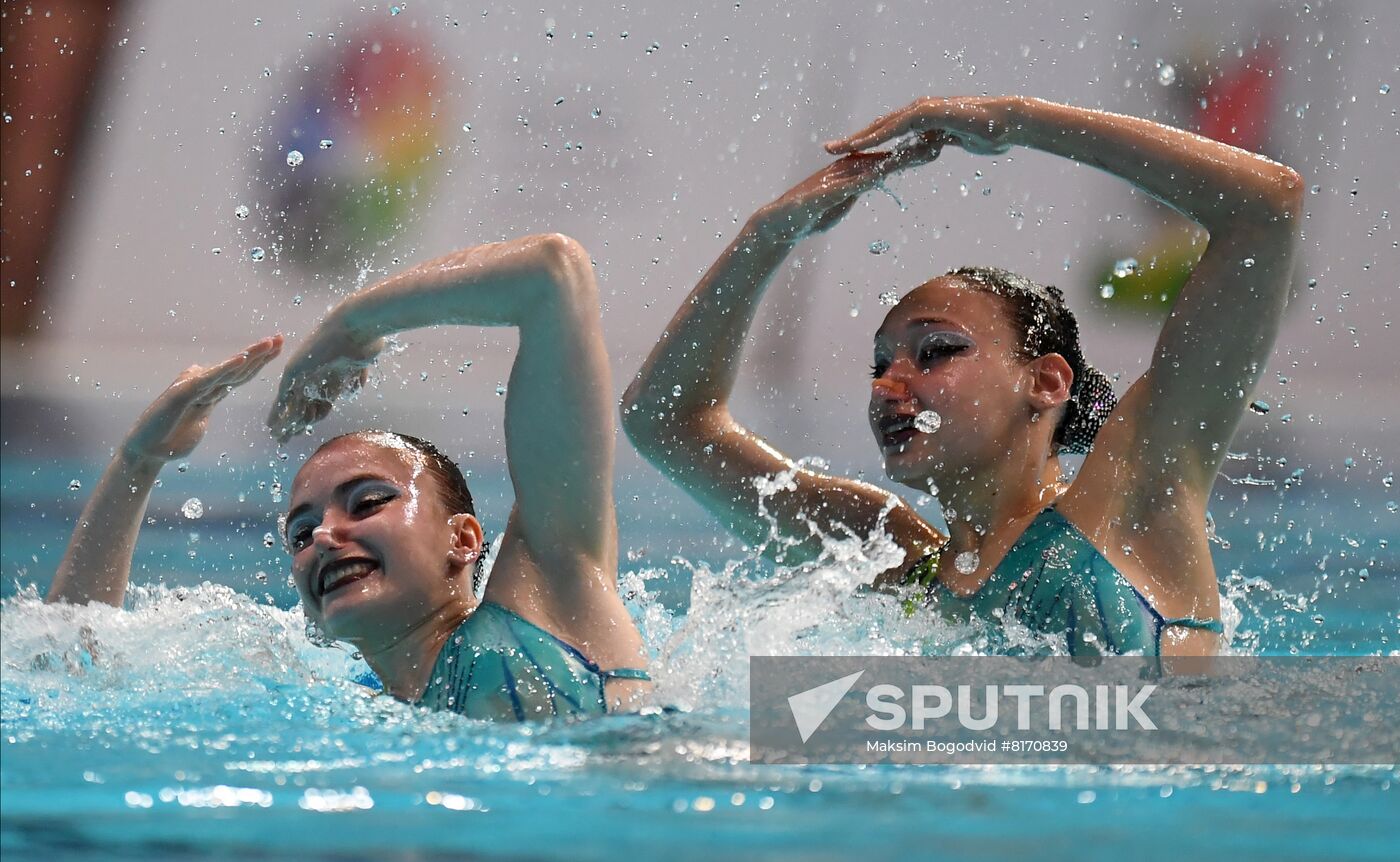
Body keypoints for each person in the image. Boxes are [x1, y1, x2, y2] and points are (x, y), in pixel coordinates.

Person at [621, 96, 1303, 657]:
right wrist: (765, 239)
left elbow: (1266, 206)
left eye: (937, 351)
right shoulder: (890, 560)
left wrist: (1018, 122)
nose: (890, 385)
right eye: (879, 363)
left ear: (1046, 383)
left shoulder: (1130, 503)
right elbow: (663, 422)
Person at [48, 234, 651, 720]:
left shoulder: (552, 594)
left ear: (463, 540)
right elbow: (72, 679)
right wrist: (136, 465)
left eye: (366, 502)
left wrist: (359, 322)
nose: (324, 538)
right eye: (300, 533)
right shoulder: (341, 705)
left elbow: (554, 276)